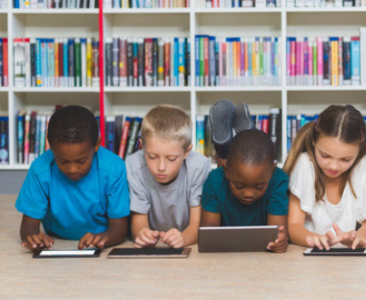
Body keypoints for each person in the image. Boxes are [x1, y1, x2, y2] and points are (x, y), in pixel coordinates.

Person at [16, 106, 130, 251]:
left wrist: (104, 238)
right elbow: (28, 228)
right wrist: (34, 238)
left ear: (96, 145)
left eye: (81, 161)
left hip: (102, 240)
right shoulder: (40, 170)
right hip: (57, 241)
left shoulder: (114, 169)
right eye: (62, 161)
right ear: (51, 147)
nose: (72, 170)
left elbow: (120, 228)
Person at [284, 105, 366, 250]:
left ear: (359, 150)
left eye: (345, 160)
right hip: (308, 259)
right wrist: (316, 240)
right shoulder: (305, 164)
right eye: (325, 156)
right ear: (314, 141)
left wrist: (358, 238)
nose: (333, 166)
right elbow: (294, 226)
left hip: (351, 262)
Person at [126, 105, 211, 248]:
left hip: (188, 244)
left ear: (186, 152)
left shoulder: (199, 167)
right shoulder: (134, 166)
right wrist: (142, 235)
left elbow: (197, 223)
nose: (161, 167)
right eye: (152, 156)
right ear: (142, 147)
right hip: (153, 249)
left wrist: (182, 239)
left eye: (171, 159)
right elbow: (138, 223)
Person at [200, 129, 289, 252]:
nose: (248, 194)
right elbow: (208, 234)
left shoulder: (278, 180)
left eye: (259, 187)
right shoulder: (215, 182)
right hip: (224, 257)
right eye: (238, 185)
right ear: (226, 170)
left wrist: (280, 240)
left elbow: (277, 231)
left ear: (272, 172)